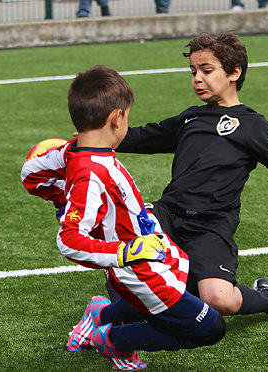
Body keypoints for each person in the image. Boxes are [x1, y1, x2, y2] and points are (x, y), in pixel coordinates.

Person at [115, 32, 268, 317]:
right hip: (168, 212)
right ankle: (117, 316)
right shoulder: (192, 118)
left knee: (219, 299)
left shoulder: (252, 126)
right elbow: (143, 137)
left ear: (234, 72)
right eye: (193, 72)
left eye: (206, 71)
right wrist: (98, 137)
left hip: (211, 223)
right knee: (126, 240)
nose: (197, 79)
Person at [21, 65, 226, 371]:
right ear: (117, 118)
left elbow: (30, 173)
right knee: (210, 327)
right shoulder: (89, 174)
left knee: (174, 293)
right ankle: (113, 340)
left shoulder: (78, 150)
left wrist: (60, 165)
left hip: (150, 247)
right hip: (138, 267)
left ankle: (100, 316)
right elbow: (69, 240)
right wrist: (125, 252)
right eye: (127, 117)